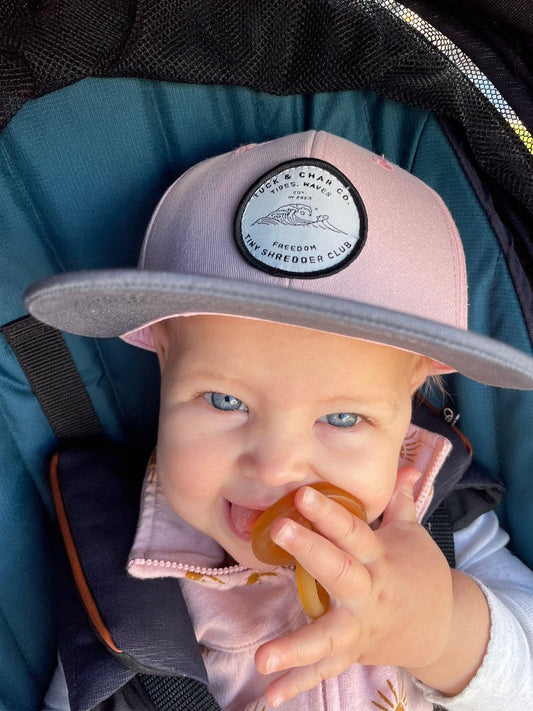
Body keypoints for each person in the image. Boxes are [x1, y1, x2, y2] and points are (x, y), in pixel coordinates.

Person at [29, 131, 533, 710]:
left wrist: (445, 632)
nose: (275, 466)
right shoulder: (126, 588)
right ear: (161, 357)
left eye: (342, 417)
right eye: (225, 402)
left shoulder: (440, 521)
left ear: (413, 395)